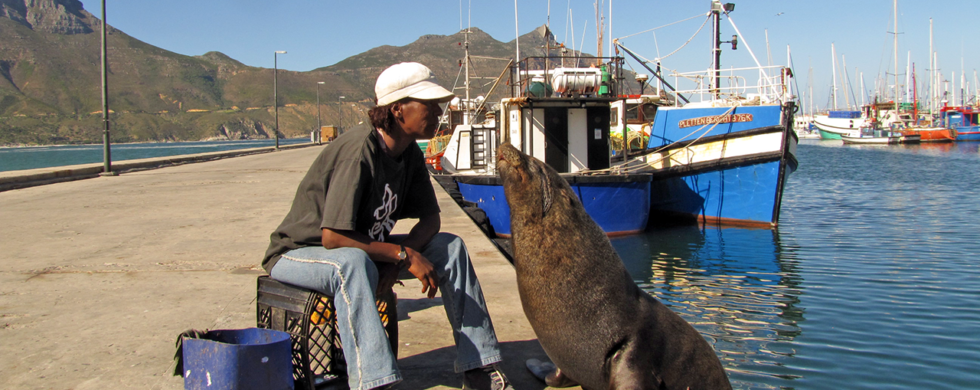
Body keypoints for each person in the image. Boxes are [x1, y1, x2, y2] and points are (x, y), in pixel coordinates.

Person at [261, 62, 513, 390]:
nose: (439, 111)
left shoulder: (408, 153)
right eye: (429, 104)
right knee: (351, 264)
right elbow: (333, 237)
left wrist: (401, 254)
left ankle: (479, 366)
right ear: (397, 110)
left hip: (359, 248)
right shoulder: (359, 152)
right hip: (299, 252)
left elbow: (431, 219)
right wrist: (401, 255)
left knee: (450, 248)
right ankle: (374, 382)